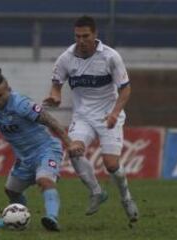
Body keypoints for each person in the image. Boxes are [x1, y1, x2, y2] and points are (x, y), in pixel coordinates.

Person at [0, 68, 83, 231]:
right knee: (11, 191)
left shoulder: (22, 105)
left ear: (8, 90)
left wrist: (69, 143)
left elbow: (50, 121)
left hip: (46, 149)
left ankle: (52, 218)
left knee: (44, 180)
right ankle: (17, 218)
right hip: (24, 157)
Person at [43, 15, 139, 224]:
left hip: (109, 115)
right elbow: (56, 84)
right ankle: (96, 191)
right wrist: (56, 97)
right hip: (83, 116)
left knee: (111, 164)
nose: (81, 40)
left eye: (85, 36)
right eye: (77, 36)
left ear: (95, 35)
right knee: (74, 150)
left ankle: (126, 198)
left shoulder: (111, 57)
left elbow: (125, 89)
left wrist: (114, 113)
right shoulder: (66, 58)